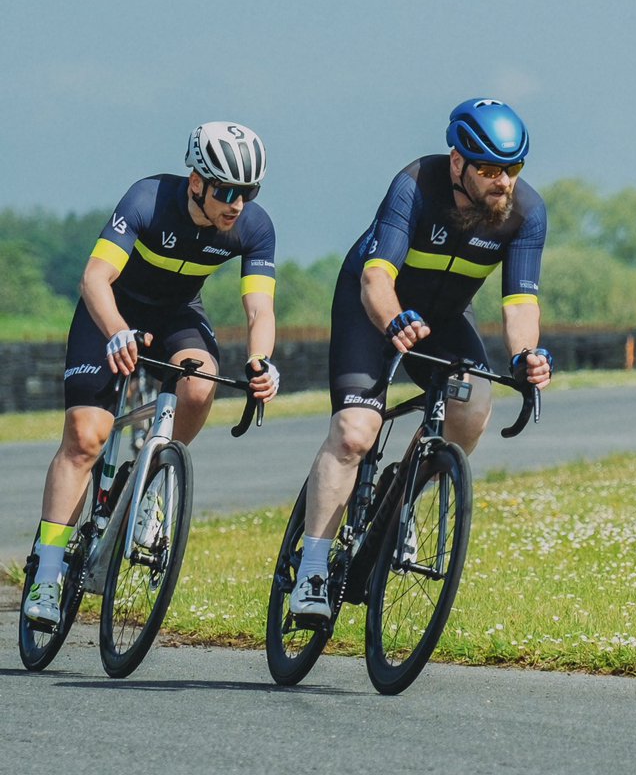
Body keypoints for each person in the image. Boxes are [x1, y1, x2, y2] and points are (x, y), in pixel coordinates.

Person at [291, 98, 553, 618]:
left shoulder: (526, 212)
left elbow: (520, 301)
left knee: (474, 407)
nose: (504, 182)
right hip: (375, 307)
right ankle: (313, 568)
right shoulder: (415, 184)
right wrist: (391, 322)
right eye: (489, 170)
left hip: (446, 315)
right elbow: (376, 277)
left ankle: (403, 501)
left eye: (513, 169)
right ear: (457, 163)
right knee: (354, 433)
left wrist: (525, 356)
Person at [24, 121, 281, 629]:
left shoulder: (254, 226)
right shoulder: (147, 199)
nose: (237, 204)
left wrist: (261, 361)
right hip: (111, 311)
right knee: (85, 436)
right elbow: (95, 278)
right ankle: (47, 573)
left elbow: (259, 310)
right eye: (227, 191)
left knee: (201, 382)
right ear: (196, 183)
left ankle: (151, 481)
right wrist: (117, 330)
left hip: (177, 313)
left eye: (248, 192)